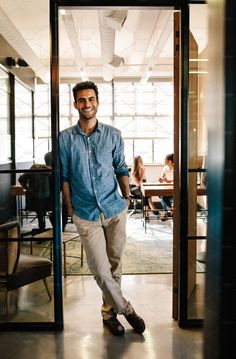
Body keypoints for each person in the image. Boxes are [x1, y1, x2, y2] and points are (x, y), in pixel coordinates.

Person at [59, 81, 145, 336]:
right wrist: (70, 206)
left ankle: (109, 314)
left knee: (115, 265)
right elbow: (64, 175)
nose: (87, 104)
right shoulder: (65, 138)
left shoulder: (113, 134)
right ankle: (127, 309)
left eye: (91, 99)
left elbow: (120, 167)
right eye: (82, 100)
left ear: (97, 101)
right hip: (85, 213)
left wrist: (127, 196)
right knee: (100, 268)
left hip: (114, 208)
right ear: (75, 104)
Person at [18, 162, 52, 233]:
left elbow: (20, 179)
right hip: (47, 196)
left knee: (40, 213)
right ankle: (43, 229)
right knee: (43, 212)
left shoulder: (32, 169)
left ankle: (41, 228)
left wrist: (26, 188)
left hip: (35, 196)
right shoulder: (48, 171)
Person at [44, 151, 69, 231]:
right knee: (64, 207)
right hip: (62, 184)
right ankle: (61, 227)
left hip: (51, 187)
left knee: (60, 207)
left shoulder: (47, 156)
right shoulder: (57, 174)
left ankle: (59, 226)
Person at [159, 153, 174, 221]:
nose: (164, 160)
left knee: (163, 197)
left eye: (165, 159)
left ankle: (166, 212)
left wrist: (168, 181)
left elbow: (178, 180)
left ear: (170, 161)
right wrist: (161, 179)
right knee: (162, 195)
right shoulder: (165, 168)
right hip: (166, 188)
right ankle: (171, 210)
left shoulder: (176, 168)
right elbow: (162, 177)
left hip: (174, 190)